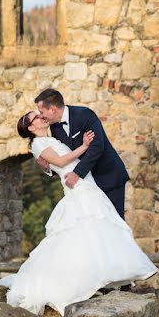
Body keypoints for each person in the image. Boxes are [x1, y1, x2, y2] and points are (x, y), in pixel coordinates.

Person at [0, 111, 157, 316]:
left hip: (86, 184)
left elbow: (54, 163)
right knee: (85, 231)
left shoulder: (51, 137)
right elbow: (62, 163)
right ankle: (83, 281)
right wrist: (84, 146)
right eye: (35, 116)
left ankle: (111, 278)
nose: (41, 116)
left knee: (98, 232)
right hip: (77, 188)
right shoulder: (37, 144)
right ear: (30, 127)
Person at [34, 88, 129, 220]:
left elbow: (97, 147)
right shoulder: (54, 127)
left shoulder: (84, 114)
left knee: (115, 224)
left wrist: (77, 173)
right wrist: (49, 169)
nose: (41, 115)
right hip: (86, 185)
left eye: (41, 111)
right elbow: (66, 156)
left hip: (108, 177)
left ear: (53, 109)